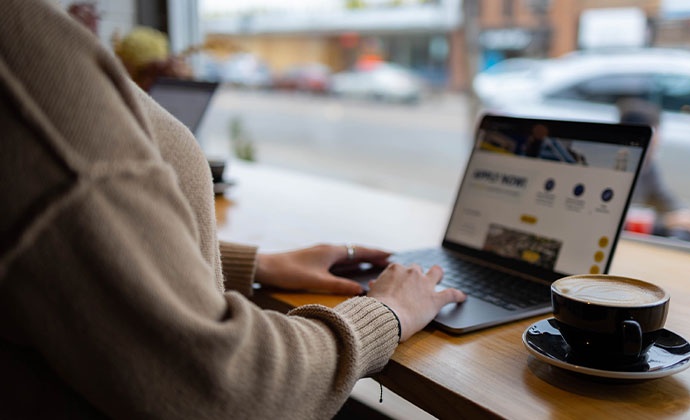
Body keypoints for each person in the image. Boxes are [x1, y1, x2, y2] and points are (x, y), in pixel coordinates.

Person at [0, 1, 465, 419]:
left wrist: (258, 264)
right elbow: (220, 383)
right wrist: (387, 312)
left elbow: (77, 255)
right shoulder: (26, 66)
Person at [618, 99, 690, 241]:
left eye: (654, 148)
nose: (652, 153)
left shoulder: (647, 165)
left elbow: (665, 200)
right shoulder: (615, 168)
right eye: (650, 147)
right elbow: (619, 220)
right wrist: (666, 221)